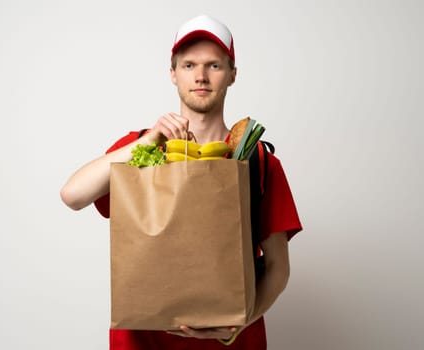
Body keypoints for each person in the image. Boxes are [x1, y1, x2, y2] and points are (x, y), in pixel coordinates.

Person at [60, 14, 302, 350]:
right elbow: (73, 195)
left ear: (232, 75)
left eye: (214, 66)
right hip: (142, 342)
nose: (200, 76)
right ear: (173, 74)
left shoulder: (258, 161)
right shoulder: (138, 148)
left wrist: (236, 326)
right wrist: (149, 141)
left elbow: (278, 269)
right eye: (188, 65)